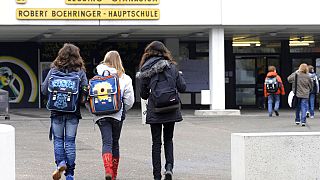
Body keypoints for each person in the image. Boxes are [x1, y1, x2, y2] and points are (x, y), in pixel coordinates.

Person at [136, 41, 186, 180]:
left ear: (149, 53)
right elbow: (182, 87)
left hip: (156, 109)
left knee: (156, 143)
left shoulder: (146, 69)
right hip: (171, 108)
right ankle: (169, 168)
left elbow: (144, 95)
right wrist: (179, 76)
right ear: (164, 51)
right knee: (168, 139)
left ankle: (156, 175)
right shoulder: (172, 67)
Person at [41, 43, 88, 180]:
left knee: (58, 140)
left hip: (56, 111)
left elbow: (44, 90)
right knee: (70, 142)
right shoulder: (80, 72)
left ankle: (60, 163)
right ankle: (70, 174)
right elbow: (85, 91)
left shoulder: (53, 70)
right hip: (73, 112)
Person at [93, 51, 134, 180]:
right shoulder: (124, 78)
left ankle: (108, 170)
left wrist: (95, 111)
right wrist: (122, 109)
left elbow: (90, 98)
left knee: (106, 142)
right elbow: (129, 101)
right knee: (115, 143)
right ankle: (114, 174)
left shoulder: (97, 77)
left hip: (100, 115)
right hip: (117, 114)